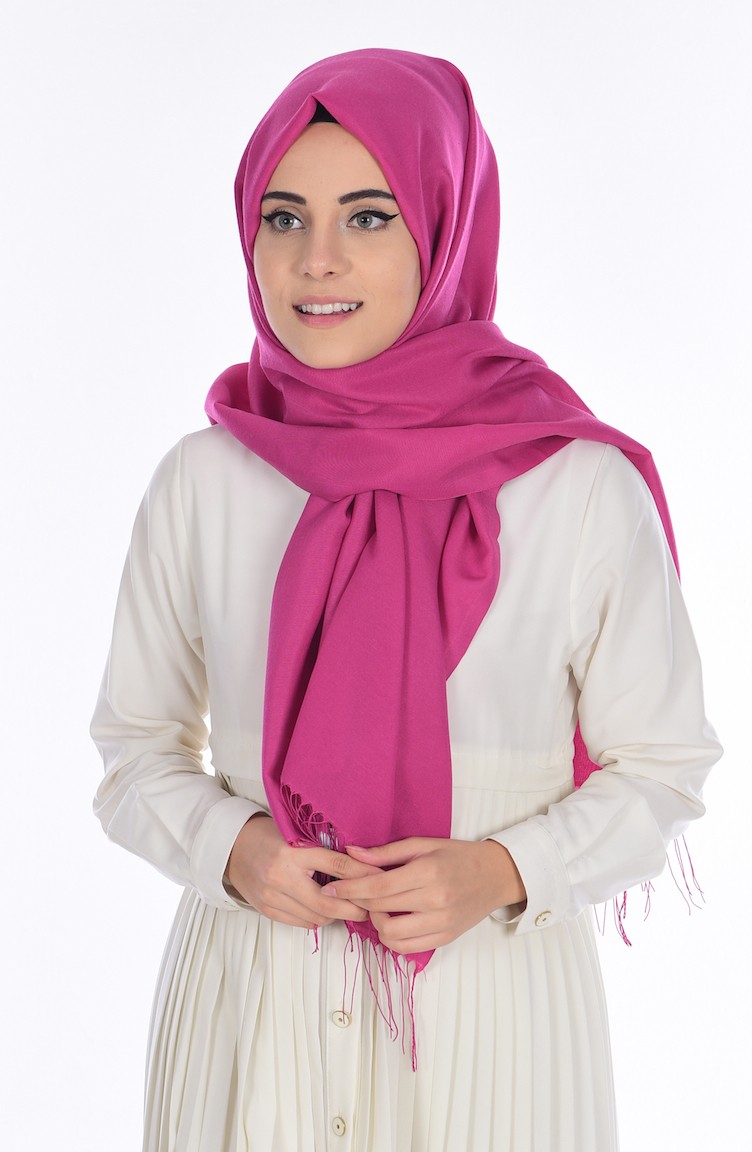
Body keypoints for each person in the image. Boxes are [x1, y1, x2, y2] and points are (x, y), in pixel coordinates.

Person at [91, 48, 720, 1152]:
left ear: (445, 228)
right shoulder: (205, 479)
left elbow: (663, 767)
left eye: (369, 217)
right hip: (250, 1008)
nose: (316, 259)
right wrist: (233, 849)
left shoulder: (574, 487)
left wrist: (504, 871)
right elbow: (134, 750)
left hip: (492, 1024)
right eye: (283, 218)